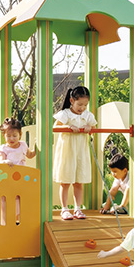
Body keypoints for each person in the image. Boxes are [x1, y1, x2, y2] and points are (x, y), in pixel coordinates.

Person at [53, 85, 96, 220]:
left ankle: (78, 208)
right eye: (80, 104)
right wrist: (68, 127)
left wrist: (89, 128)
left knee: (79, 181)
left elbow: (94, 127)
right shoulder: (65, 113)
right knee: (65, 181)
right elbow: (55, 127)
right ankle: (64, 209)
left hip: (81, 151)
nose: (82, 108)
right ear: (72, 101)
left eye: (85, 105)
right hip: (67, 150)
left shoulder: (88, 115)